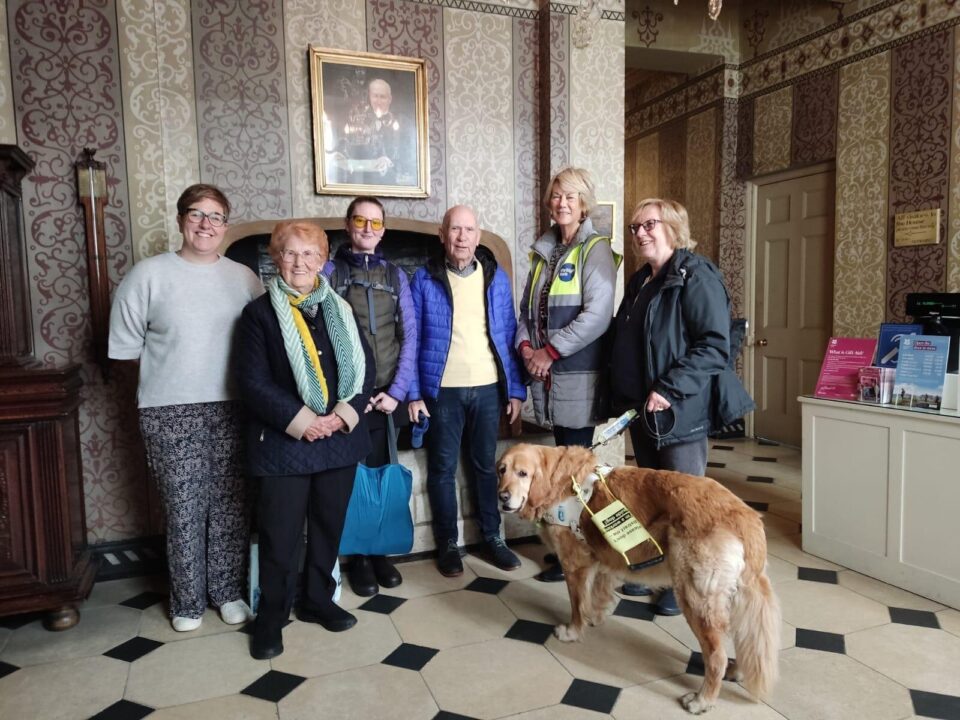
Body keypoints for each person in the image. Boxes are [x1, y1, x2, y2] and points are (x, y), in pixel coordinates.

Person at [108, 184, 262, 632]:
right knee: (184, 507)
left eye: (215, 216)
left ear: (226, 226)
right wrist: (166, 386)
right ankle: (187, 602)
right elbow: (124, 352)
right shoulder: (148, 275)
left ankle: (228, 592)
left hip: (234, 408)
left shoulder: (243, 278)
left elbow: (263, 345)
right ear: (180, 220)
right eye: (196, 214)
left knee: (232, 505)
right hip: (170, 411)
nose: (205, 224)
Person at [236, 221, 375, 660]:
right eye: (291, 253)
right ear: (276, 259)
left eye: (310, 254)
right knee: (280, 537)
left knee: (327, 527)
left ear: (323, 260)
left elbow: (365, 369)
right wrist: (303, 421)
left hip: (339, 440)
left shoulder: (342, 308)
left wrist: (342, 416)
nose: (300, 262)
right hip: (284, 445)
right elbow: (252, 382)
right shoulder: (258, 315)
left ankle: (318, 600)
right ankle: (272, 618)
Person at [609, 198, 735, 616]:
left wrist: (669, 387)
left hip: (678, 412)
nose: (640, 233)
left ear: (673, 227)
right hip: (644, 413)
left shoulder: (696, 275)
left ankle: (689, 585)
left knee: (685, 505)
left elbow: (714, 345)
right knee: (653, 501)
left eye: (648, 225)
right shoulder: (641, 280)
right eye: (634, 228)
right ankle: (659, 574)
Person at [407, 205, 527, 577]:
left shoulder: (496, 278)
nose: (462, 237)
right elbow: (410, 339)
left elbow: (507, 333)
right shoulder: (424, 279)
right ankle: (447, 545)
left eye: (469, 230)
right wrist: (413, 393)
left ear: (478, 235)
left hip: (488, 388)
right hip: (442, 392)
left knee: (485, 468)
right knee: (441, 469)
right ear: (443, 235)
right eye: (454, 229)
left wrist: (516, 390)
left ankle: (493, 538)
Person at [515, 166, 618, 583]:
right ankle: (568, 551)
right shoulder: (544, 250)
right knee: (562, 470)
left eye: (570, 197)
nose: (561, 203)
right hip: (549, 378)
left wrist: (549, 352)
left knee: (575, 473)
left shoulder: (596, 249)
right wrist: (526, 348)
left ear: (584, 204)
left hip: (577, 376)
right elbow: (525, 312)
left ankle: (580, 553)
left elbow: (598, 315)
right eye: (556, 196)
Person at [326, 196, 417, 596]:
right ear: (348, 225)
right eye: (360, 220)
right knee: (350, 477)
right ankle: (359, 558)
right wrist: (348, 398)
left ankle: (380, 553)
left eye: (375, 222)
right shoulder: (329, 271)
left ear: (383, 230)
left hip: (386, 399)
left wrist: (397, 392)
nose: (367, 228)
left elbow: (409, 336)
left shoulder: (396, 276)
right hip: (347, 400)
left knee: (380, 474)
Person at [329, 78, 412, 185]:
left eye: (382, 97)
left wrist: (388, 160)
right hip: (363, 181)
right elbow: (350, 149)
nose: (378, 101)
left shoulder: (403, 122)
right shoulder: (358, 119)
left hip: (391, 183)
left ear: (390, 99)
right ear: (369, 97)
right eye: (375, 96)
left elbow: (407, 156)